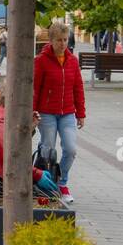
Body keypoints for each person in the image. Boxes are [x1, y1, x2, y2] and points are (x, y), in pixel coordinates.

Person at [33, 21, 85, 204]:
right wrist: (33, 111)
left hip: (67, 113)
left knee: (70, 149)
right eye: (58, 40)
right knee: (48, 149)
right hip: (46, 113)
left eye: (65, 40)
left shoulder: (72, 61)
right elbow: (35, 89)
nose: (62, 44)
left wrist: (81, 113)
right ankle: (45, 184)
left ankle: (61, 182)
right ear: (51, 40)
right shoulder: (41, 61)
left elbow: (78, 87)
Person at [0, 103, 60, 198]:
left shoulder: (2, 114)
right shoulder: (1, 120)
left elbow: (15, 147)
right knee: (51, 196)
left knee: (49, 194)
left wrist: (30, 128)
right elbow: (12, 156)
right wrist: (37, 174)